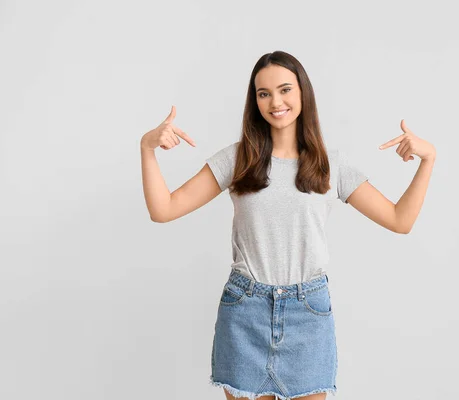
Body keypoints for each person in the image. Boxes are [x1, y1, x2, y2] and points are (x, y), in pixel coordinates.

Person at [140, 50, 436, 400]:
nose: (275, 102)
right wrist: (147, 148)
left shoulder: (331, 166)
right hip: (245, 311)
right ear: (255, 102)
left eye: (284, 90)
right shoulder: (238, 159)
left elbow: (400, 220)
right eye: (263, 94)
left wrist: (427, 160)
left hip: (308, 314)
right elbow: (164, 209)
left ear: (302, 94)